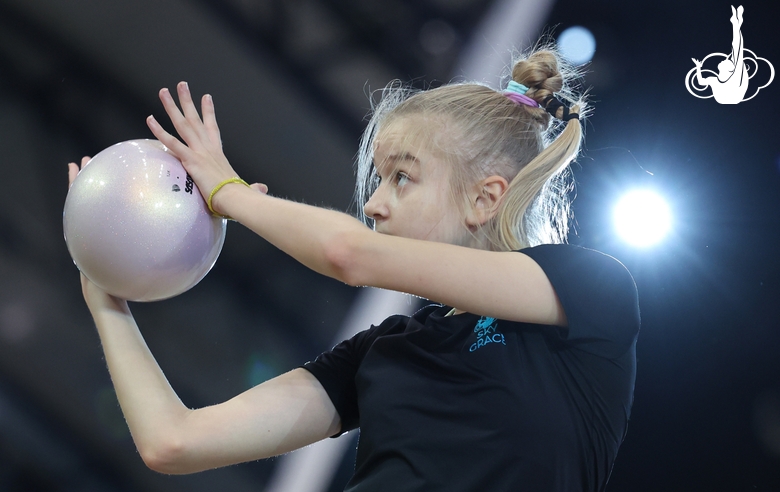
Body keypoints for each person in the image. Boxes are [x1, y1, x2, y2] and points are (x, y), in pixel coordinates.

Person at [68, 47, 640, 491]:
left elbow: (350, 256)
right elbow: (173, 442)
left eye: (402, 178)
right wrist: (105, 293)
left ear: (484, 199)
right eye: (378, 180)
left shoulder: (590, 289)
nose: (373, 204)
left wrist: (230, 192)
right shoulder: (383, 351)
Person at [692, 5, 748, 104]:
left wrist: (698, 67)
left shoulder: (730, 77)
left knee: (737, 51)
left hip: (733, 94)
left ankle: (736, 23)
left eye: (726, 61)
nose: (724, 59)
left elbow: (738, 48)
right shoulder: (715, 80)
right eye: (727, 60)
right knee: (737, 52)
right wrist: (698, 67)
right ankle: (736, 24)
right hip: (730, 96)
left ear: (728, 69)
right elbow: (701, 82)